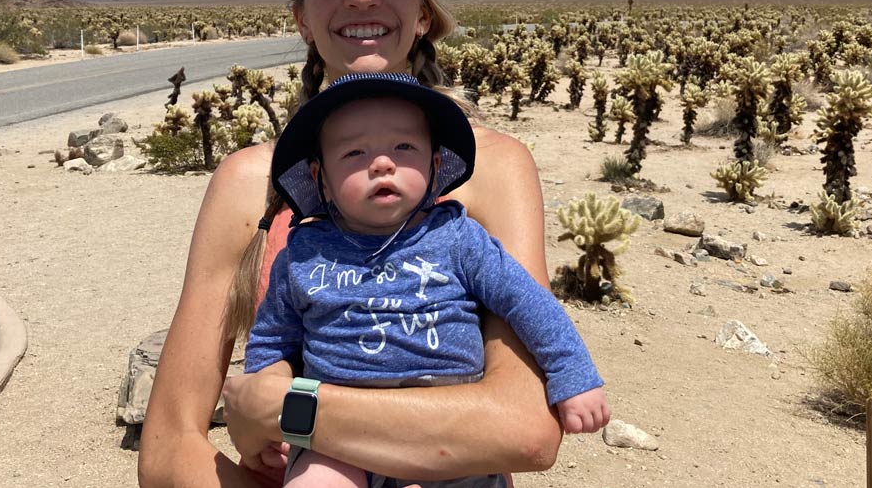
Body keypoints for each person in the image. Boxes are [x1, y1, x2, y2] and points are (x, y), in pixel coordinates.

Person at [139, 0, 565, 488]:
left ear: (422, 14)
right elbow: (169, 448)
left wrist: (288, 410)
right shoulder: (249, 182)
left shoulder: (490, 168)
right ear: (302, 19)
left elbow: (523, 428)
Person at [247, 72, 610, 487]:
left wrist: (572, 375)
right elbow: (272, 340)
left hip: (449, 428)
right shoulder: (302, 254)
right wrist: (265, 406)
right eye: (354, 153)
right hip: (336, 438)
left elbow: (527, 302)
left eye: (404, 147)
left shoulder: (457, 238)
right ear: (320, 178)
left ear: (434, 165)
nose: (382, 163)